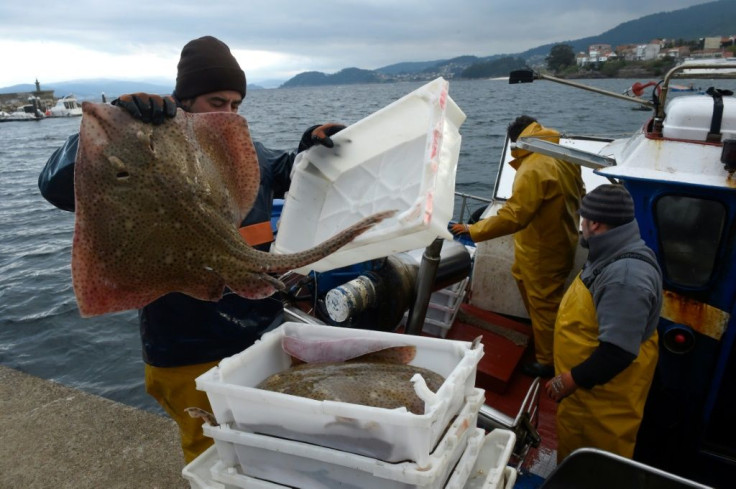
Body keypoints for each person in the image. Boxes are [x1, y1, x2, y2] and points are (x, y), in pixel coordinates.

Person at [37, 35, 344, 463]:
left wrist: (310, 145)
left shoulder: (239, 150)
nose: (229, 115)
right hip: (187, 347)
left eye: (236, 105)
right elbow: (56, 182)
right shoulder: (136, 145)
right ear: (183, 102)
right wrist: (118, 120)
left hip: (256, 332)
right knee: (219, 458)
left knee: (268, 448)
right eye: (217, 103)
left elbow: (280, 168)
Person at [451, 115, 584, 378]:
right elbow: (580, 190)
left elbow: (515, 215)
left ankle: (548, 361)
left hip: (542, 251)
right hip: (559, 240)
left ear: (517, 141)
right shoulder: (563, 155)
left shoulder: (533, 167)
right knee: (525, 282)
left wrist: (472, 230)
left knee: (544, 304)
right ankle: (545, 338)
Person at [544, 184, 662, 461]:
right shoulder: (611, 252)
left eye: (583, 218)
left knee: (593, 466)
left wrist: (570, 379)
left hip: (601, 402)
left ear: (595, 223)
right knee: (576, 455)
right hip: (587, 397)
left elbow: (617, 351)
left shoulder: (626, 276)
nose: (581, 224)